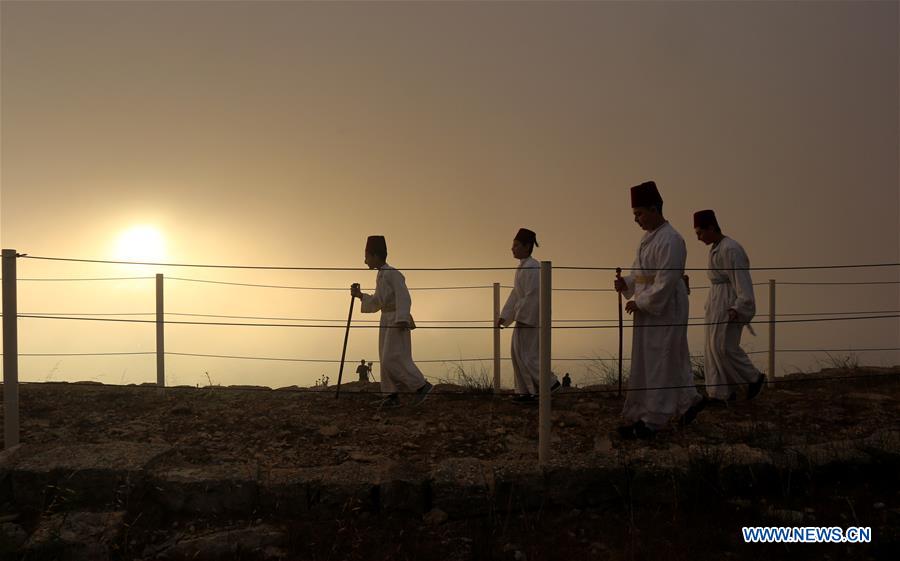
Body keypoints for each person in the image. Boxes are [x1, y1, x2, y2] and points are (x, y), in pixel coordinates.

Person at [613, 181, 705, 439]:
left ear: (655, 209)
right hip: (647, 305)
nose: (637, 220)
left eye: (639, 213)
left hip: (665, 308)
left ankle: (654, 419)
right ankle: (688, 401)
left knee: (660, 359)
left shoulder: (672, 240)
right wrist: (627, 284)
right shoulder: (646, 239)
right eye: (634, 215)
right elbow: (640, 274)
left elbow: (666, 281)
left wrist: (641, 301)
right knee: (658, 358)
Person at [693, 209, 766, 403]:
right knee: (713, 347)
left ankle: (754, 378)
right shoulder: (716, 248)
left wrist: (740, 306)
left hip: (729, 300)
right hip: (716, 300)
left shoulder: (730, 249)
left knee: (725, 347)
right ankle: (720, 393)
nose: (699, 238)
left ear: (711, 228)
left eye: (700, 233)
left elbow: (741, 280)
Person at [351, 235, 433, 408]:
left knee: (392, 357)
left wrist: (402, 317)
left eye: (366, 256)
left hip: (396, 319)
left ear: (374, 255)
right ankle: (390, 394)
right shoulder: (381, 275)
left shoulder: (393, 274)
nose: (365, 261)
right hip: (386, 318)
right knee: (384, 356)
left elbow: (404, 296)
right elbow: (378, 301)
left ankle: (421, 386)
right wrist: (360, 296)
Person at [498, 228, 560, 404]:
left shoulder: (533, 268)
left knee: (528, 355)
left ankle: (548, 384)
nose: (512, 249)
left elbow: (533, 295)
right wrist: (505, 315)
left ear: (527, 246)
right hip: (524, 317)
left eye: (516, 245)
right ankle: (526, 391)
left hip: (530, 318)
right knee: (517, 353)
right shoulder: (523, 267)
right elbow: (517, 294)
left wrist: (521, 316)